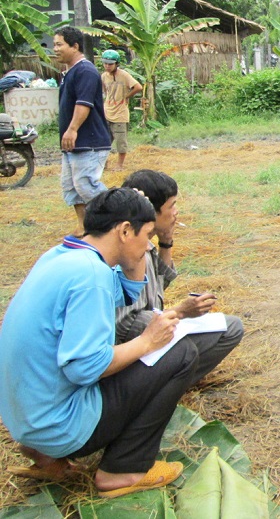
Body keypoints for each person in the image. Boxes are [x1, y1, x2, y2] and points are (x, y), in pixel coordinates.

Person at [0, 188, 195, 497]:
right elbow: (84, 369)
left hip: (27, 418)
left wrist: (135, 207)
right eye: (146, 236)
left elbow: (128, 292)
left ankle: (46, 453)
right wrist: (147, 341)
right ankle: (123, 470)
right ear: (124, 230)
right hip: (59, 425)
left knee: (147, 351)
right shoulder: (91, 276)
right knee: (181, 353)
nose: (148, 247)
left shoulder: (63, 256)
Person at [118, 170, 244, 386]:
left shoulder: (146, 243)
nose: (176, 212)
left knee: (230, 327)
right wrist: (180, 312)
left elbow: (158, 287)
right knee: (200, 344)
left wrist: (166, 242)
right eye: (172, 205)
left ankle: (171, 382)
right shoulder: (126, 253)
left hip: (148, 333)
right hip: (129, 348)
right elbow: (127, 325)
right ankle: (160, 387)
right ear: (151, 212)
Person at [54, 26, 112, 234]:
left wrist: (72, 130)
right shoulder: (70, 72)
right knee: (72, 188)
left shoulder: (85, 70)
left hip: (90, 141)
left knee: (86, 185)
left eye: (60, 44)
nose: (55, 48)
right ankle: (84, 226)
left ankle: (119, 216)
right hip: (73, 143)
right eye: (55, 44)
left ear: (75, 46)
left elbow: (84, 104)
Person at [100, 50, 142, 171]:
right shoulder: (103, 76)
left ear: (116, 64)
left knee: (120, 142)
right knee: (104, 141)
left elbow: (138, 87)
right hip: (107, 112)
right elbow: (104, 90)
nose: (107, 66)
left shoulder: (123, 75)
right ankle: (104, 164)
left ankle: (119, 165)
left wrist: (126, 96)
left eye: (110, 64)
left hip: (120, 114)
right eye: (105, 64)